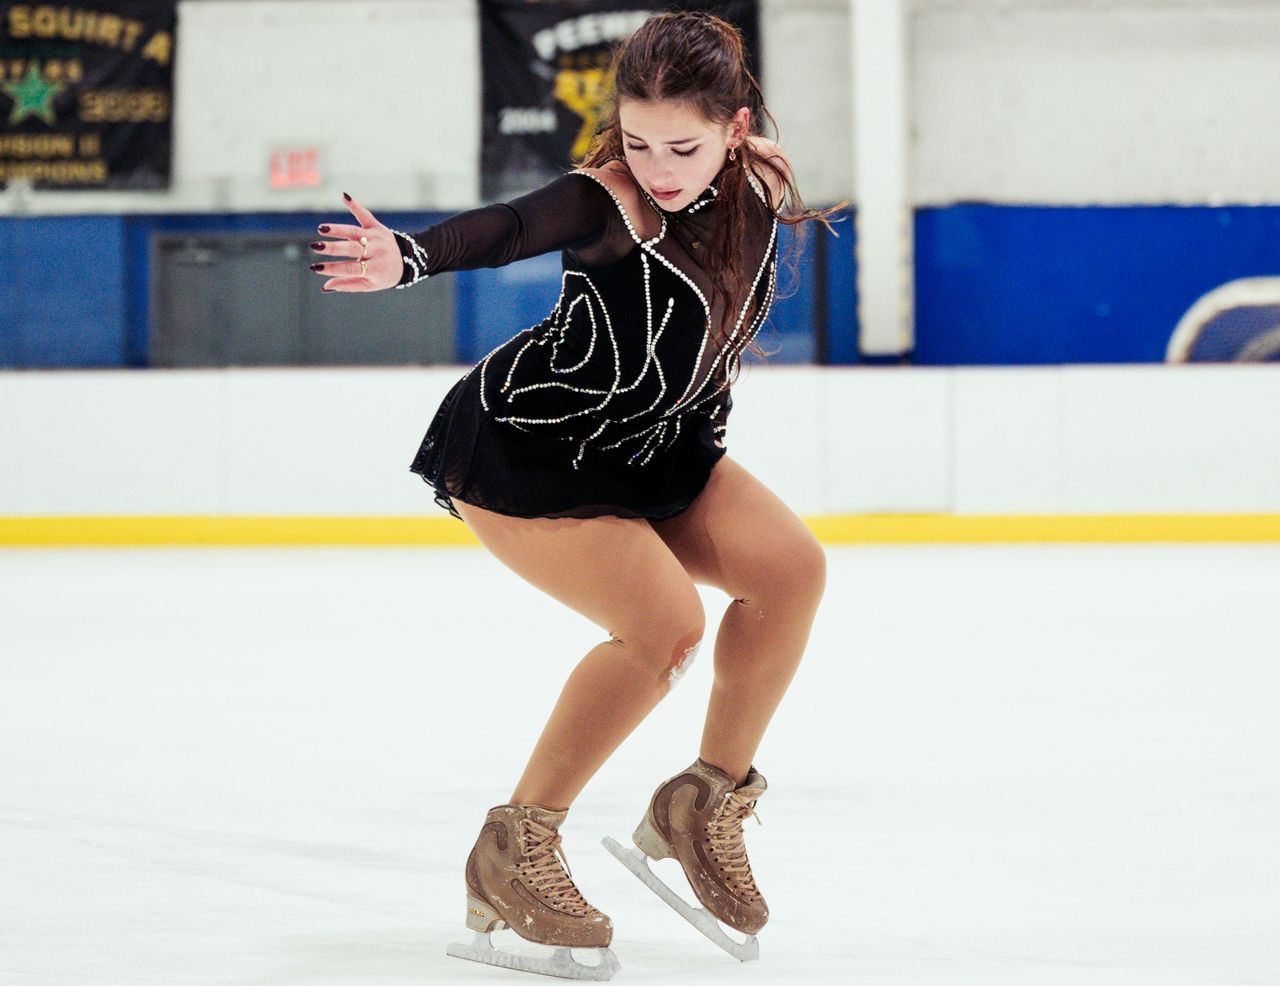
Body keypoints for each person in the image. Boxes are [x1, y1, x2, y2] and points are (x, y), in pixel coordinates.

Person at [309, 11, 842, 980]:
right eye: (636, 141)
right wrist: (411, 256)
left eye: (682, 145)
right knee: (662, 625)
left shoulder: (758, 175)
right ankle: (516, 842)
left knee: (790, 570)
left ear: (734, 128)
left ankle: (700, 802)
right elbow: (513, 225)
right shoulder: (606, 202)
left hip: (656, 444)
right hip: (530, 451)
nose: (657, 166)